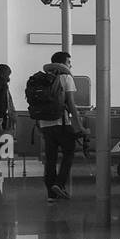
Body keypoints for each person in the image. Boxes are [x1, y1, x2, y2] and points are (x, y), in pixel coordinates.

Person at [36, 51, 78, 203]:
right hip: (61, 123)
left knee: (50, 159)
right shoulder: (66, 78)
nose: (70, 65)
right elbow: (71, 105)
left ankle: (51, 195)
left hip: (45, 124)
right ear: (62, 64)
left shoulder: (42, 79)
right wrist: (79, 126)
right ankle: (59, 183)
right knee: (69, 153)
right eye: (68, 62)